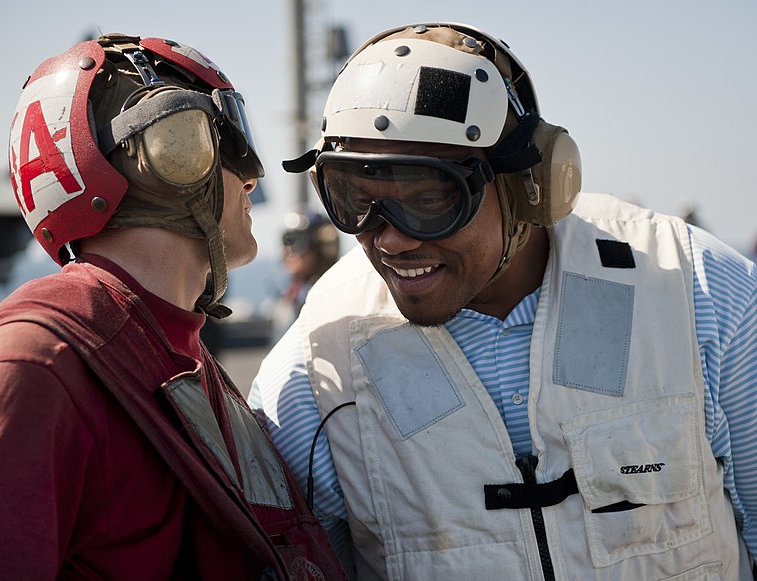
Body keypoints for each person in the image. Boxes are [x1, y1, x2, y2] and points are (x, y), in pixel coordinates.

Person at [248, 22, 757, 580]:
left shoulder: (696, 292)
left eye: (429, 199)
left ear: (529, 184)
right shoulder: (317, 368)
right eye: (353, 199)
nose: (390, 238)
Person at [0, 34, 345, 580]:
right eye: (227, 141)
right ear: (173, 151)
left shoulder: (166, 348)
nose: (252, 177)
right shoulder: (35, 371)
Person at [272, 209, 340, 337]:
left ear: (321, 248)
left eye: (295, 241)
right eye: (285, 242)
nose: (287, 251)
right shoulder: (291, 296)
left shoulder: (333, 298)